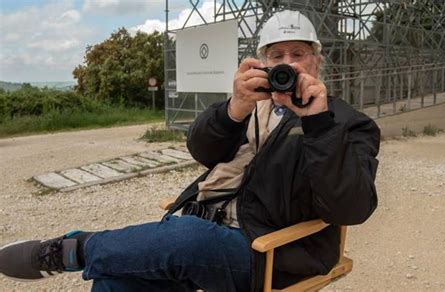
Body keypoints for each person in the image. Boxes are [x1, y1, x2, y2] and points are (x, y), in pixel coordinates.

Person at [0, 10, 380, 291]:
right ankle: (84, 252)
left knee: (185, 239)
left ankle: (74, 248)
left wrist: (318, 124)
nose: (288, 66)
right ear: (261, 63)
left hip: (268, 251)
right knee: (117, 279)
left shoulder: (347, 123)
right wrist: (234, 109)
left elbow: (350, 208)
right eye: (276, 57)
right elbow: (202, 150)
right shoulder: (248, 104)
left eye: (298, 54)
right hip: (204, 225)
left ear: (317, 60)